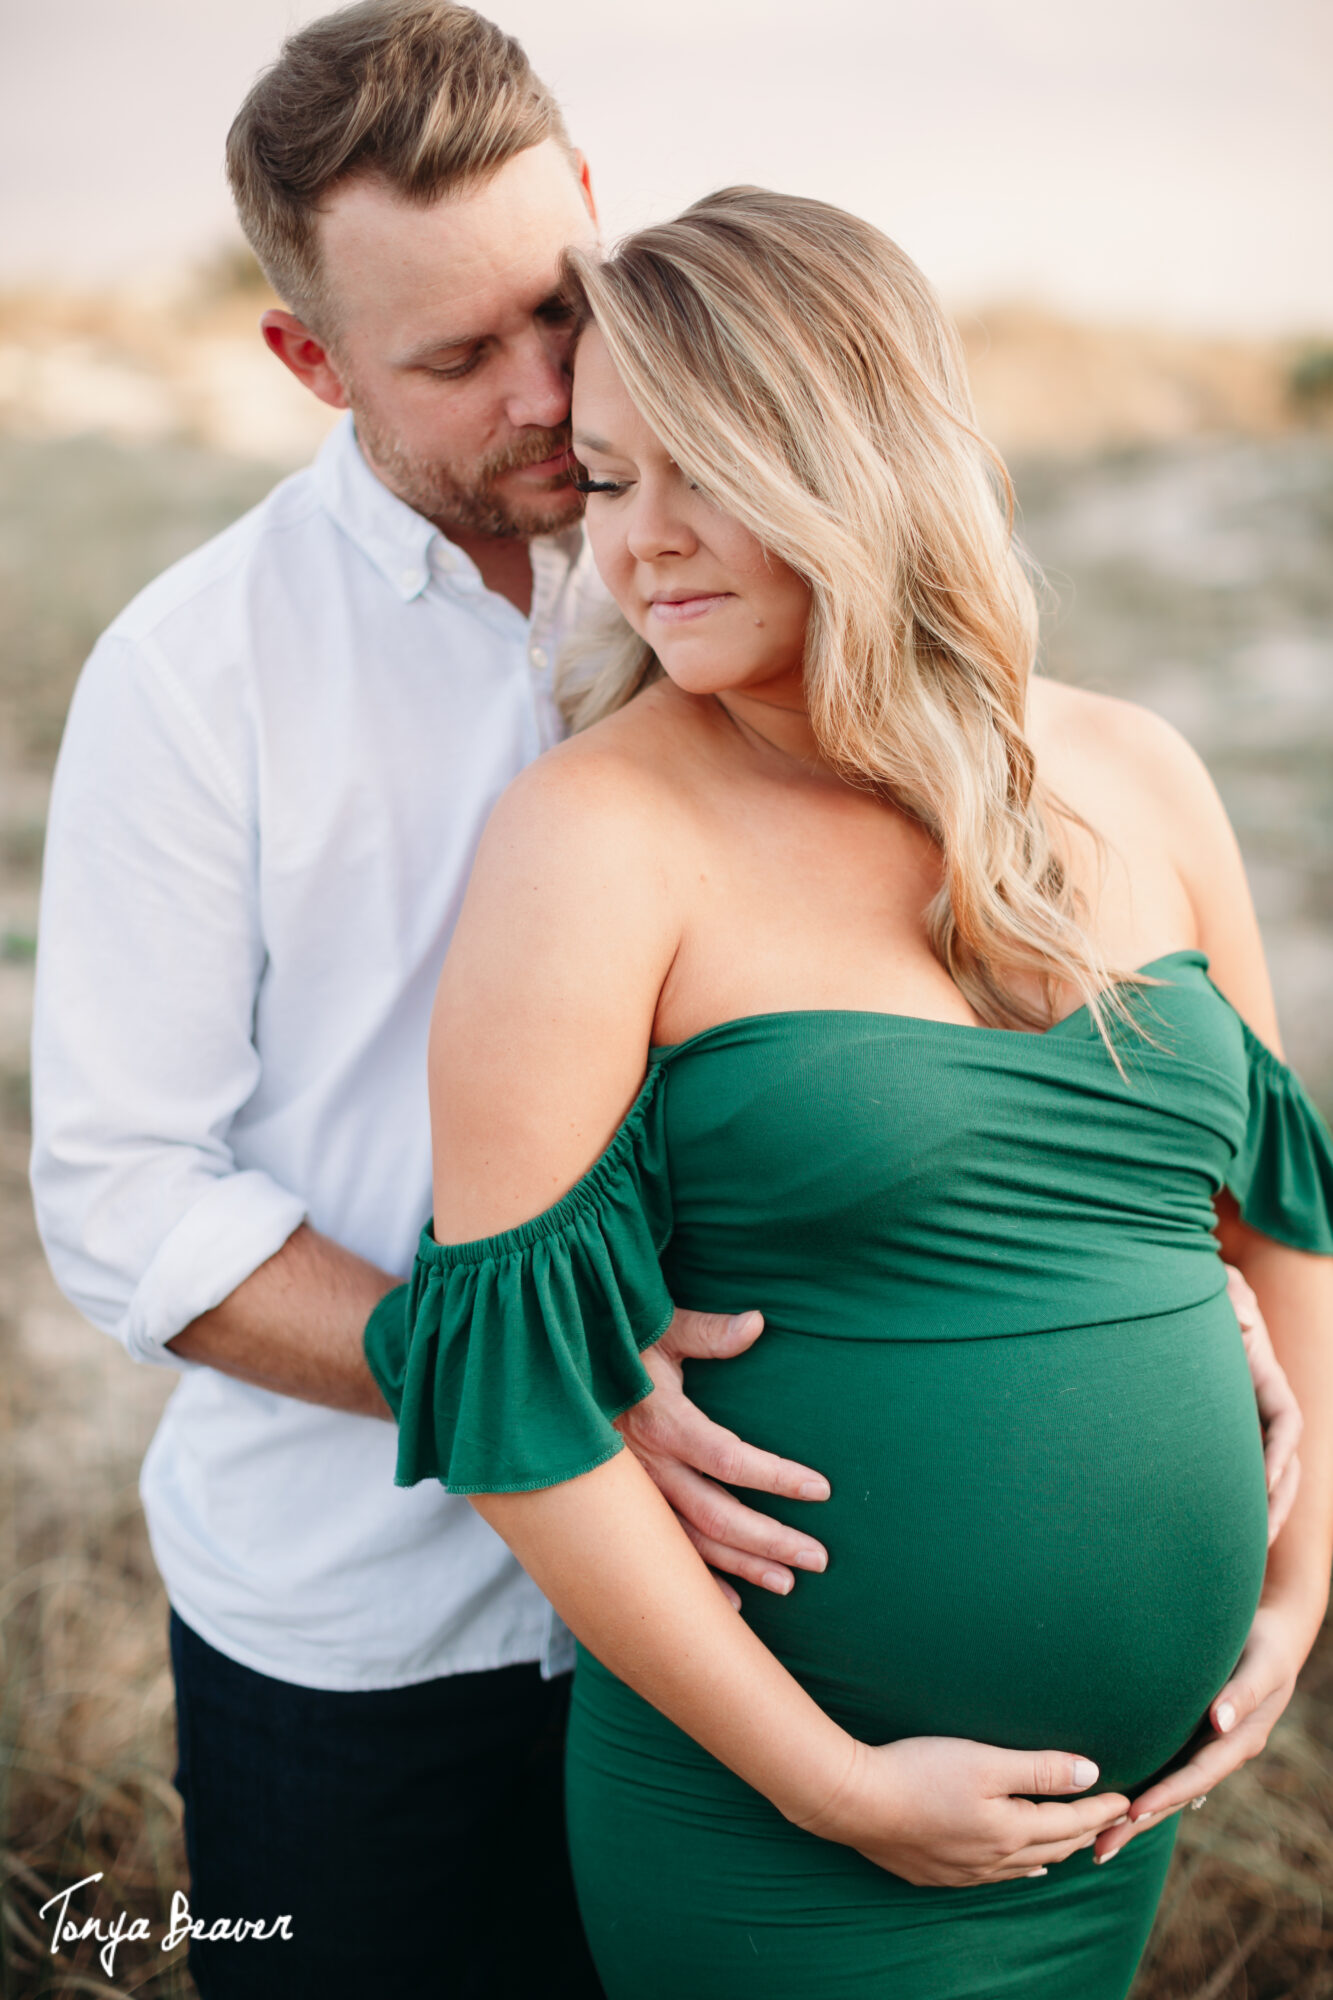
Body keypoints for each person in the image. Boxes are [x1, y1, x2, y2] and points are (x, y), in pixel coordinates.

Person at [367, 188, 1333, 1999]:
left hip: (1120, 1816)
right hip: (782, 1826)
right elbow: (512, 1398)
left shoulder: (1137, 767)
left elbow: (1279, 1217)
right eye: (602, 479)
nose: (635, 546)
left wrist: (1294, 1596)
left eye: (697, 473)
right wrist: (831, 1785)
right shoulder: (596, 835)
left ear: (854, 457)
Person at [26, 10, 843, 1996]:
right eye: (458, 359)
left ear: (592, 207)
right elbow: (124, 1200)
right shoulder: (192, 674)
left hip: (767, 1605)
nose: (553, 393)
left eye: (561, 305)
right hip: (373, 1648)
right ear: (308, 363)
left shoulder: (752, 570)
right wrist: (537, 1392)